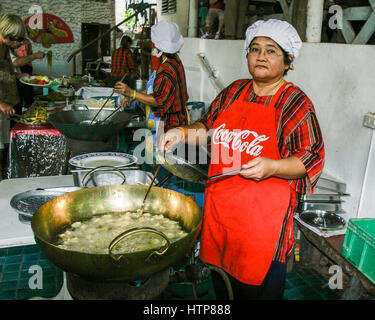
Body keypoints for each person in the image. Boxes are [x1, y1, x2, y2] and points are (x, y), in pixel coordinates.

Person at [160, 19, 325, 300]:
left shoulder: (295, 103)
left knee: (256, 292)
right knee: (223, 288)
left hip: (262, 225)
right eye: (255, 49)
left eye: (271, 50)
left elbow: (310, 159)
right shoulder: (233, 91)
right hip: (221, 214)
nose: (261, 55)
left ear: (288, 61)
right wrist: (181, 133)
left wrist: (272, 166)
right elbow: (207, 128)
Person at [114, 21, 189, 144]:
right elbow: (155, 90)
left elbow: (158, 100)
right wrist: (134, 97)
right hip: (174, 122)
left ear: (158, 46)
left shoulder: (167, 69)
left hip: (169, 127)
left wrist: (132, 93)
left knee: (163, 160)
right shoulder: (174, 62)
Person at [0, 14, 29, 180]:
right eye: (17, 40)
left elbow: (4, 72)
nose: (18, 44)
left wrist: (17, 76)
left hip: (7, 105)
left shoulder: (4, 47)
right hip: (2, 105)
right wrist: (1, 103)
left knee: (4, 147)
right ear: (8, 35)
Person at [10, 39, 45, 114]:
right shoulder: (5, 49)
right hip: (9, 89)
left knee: (17, 108)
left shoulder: (9, 50)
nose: (18, 43)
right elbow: (15, 63)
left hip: (16, 80)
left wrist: (18, 75)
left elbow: (8, 69)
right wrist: (35, 55)